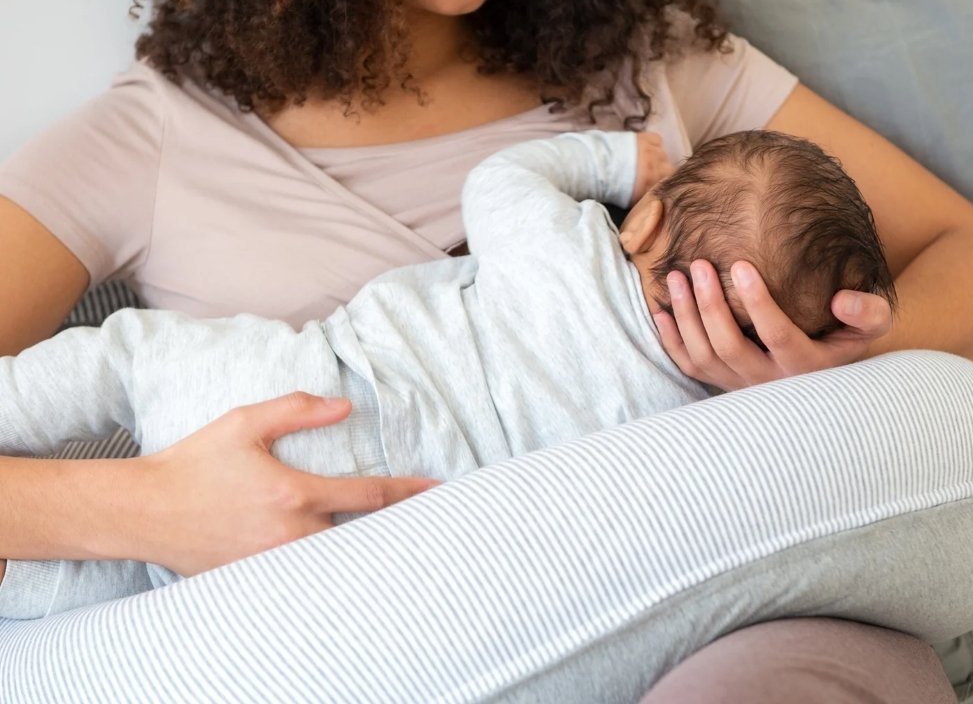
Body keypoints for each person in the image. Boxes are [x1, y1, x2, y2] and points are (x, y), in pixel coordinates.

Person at [1, 0, 973, 697]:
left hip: (729, 623)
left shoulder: (645, 59)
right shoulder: (153, 139)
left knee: (930, 438)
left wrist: (819, 371)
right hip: (376, 631)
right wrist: (147, 506)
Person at [0, 126, 897, 618]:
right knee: (138, 584)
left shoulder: (569, 246)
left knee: (125, 357)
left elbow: (498, 179)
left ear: (649, 221)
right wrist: (799, 398)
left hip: (306, 389)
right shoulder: (689, 424)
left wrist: (616, 161)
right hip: (371, 533)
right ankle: (23, 593)